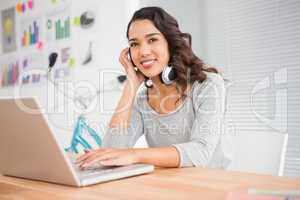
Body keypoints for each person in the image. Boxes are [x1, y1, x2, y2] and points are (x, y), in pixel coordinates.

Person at [76, 7, 232, 169]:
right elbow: (112, 152)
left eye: (152, 40)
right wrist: (130, 86)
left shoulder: (208, 85)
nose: (143, 51)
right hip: (168, 186)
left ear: (170, 44)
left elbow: (200, 153)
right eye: (134, 44)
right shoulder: (143, 100)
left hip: (212, 186)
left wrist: (134, 155)